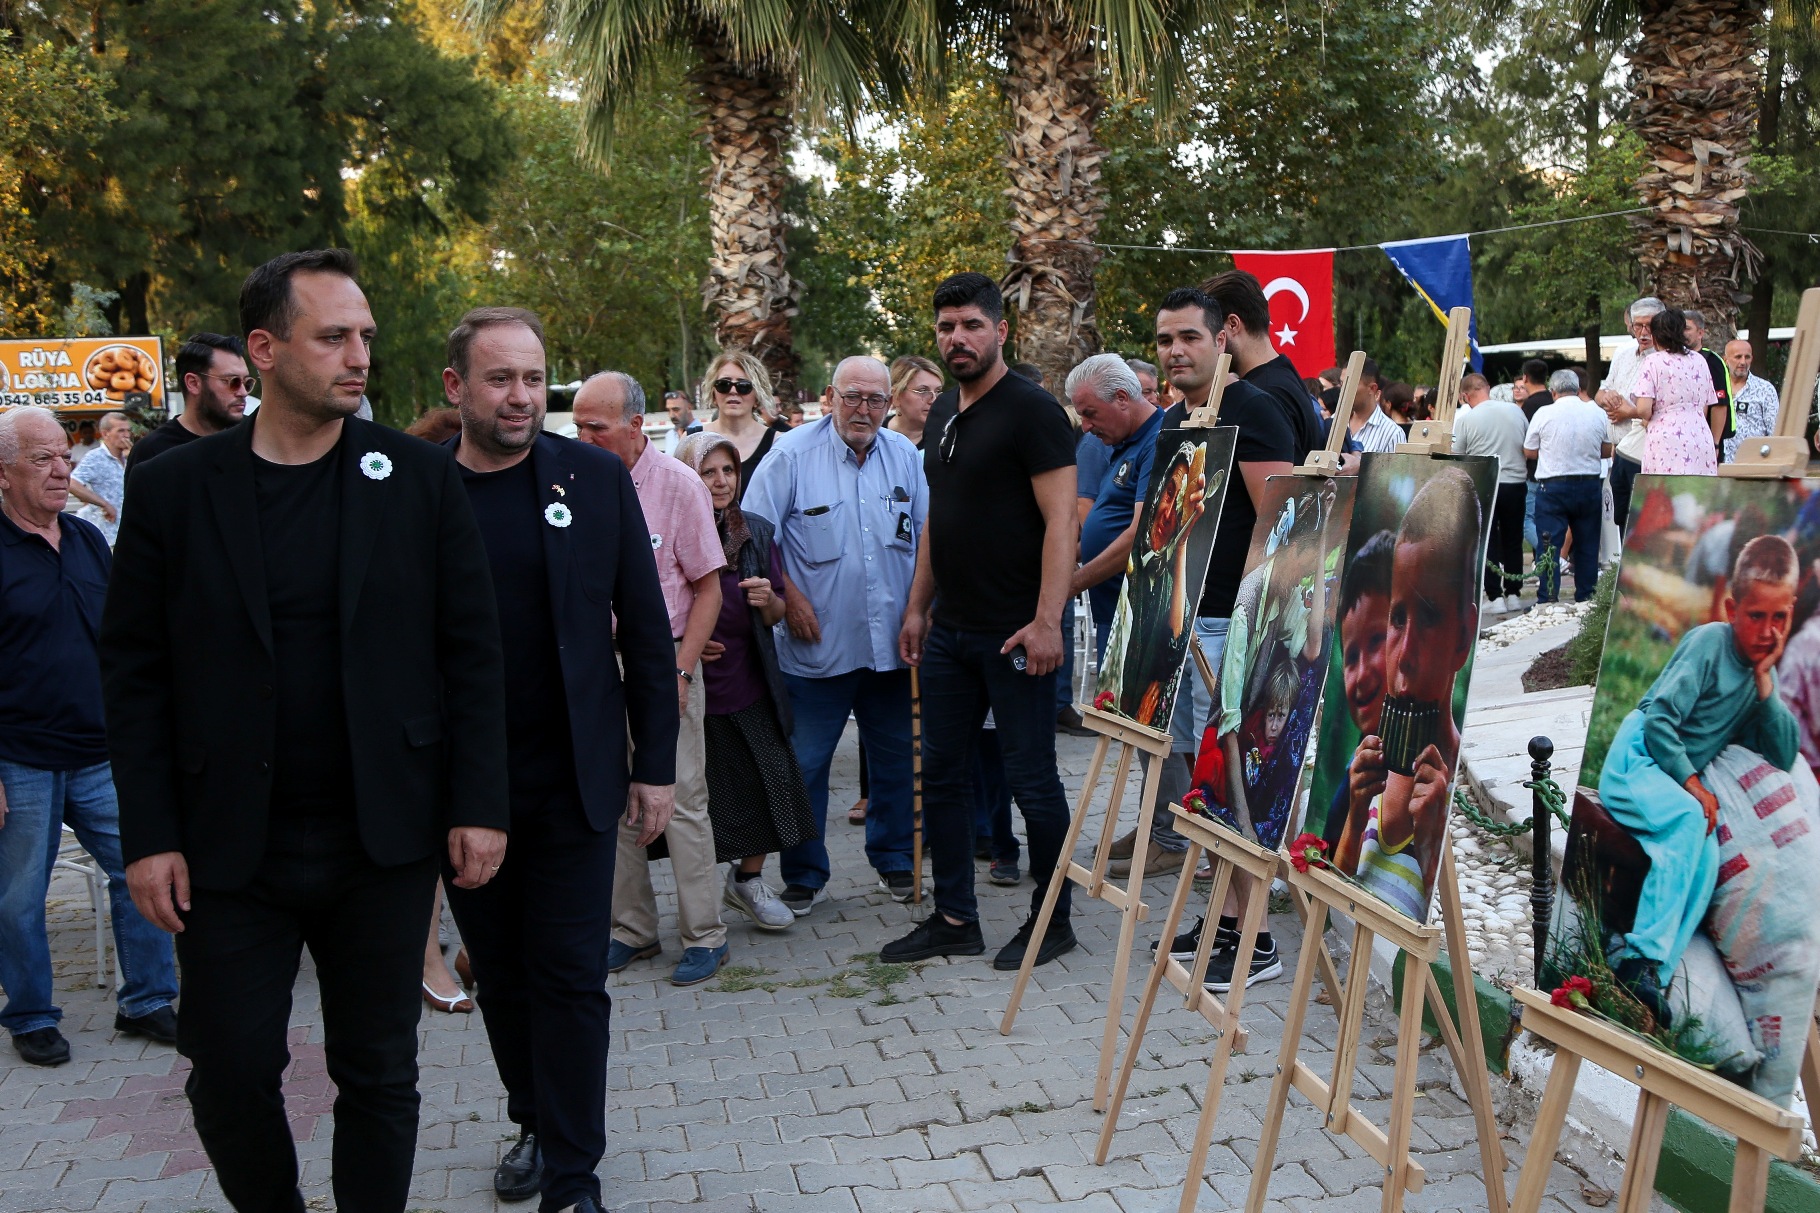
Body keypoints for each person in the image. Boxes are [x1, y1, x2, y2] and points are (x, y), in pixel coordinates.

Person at [100, 249, 510, 1213]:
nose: (359, 354)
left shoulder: (415, 479)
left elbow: (473, 654)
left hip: (383, 836)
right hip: (227, 843)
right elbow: (134, 669)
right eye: (334, 336)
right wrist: (149, 831)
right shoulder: (174, 487)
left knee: (379, 1070)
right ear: (265, 348)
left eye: (364, 334)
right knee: (230, 1069)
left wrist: (478, 804)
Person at [439, 309, 677, 1212]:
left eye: (535, 379)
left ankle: (573, 1179)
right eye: (501, 379)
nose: (522, 397)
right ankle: (533, 1118)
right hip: (467, 792)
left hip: (578, 781)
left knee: (573, 979)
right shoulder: (420, 490)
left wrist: (653, 763)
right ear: (458, 387)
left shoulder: (592, 478)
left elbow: (646, 633)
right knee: (502, 973)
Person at [885, 272, 1079, 969]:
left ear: (1001, 330)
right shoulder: (941, 413)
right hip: (951, 631)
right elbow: (940, 517)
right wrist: (916, 605)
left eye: (970, 324)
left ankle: (1052, 917)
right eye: (946, 327)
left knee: (1032, 778)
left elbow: (1062, 522)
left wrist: (1048, 620)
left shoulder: (1032, 411)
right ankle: (954, 916)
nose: (957, 338)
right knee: (939, 773)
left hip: (1017, 632)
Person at [1133, 286, 1316, 987]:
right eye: (1164, 340)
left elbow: (1281, 526)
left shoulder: (1250, 409)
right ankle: (1229, 921)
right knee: (1204, 786)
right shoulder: (1178, 418)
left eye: (1188, 337)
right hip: (1183, 622)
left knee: (1230, 782)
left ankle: (1258, 940)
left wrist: (1246, 630)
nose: (1175, 351)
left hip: (1227, 626)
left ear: (1222, 339)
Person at [0, 407, 178, 1069]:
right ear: (3, 472)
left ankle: (148, 999)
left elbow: (123, 640)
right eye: (42, 458)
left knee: (145, 868)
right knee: (19, 896)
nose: (60, 469)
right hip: (19, 754)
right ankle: (30, 1013)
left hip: (102, 749)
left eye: (62, 456)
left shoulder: (84, 539)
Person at [744, 357, 927, 912]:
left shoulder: (906, 457)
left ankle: (896, 860)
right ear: (830, 397)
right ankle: (804, 873)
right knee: (806, 763)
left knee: (896, 759)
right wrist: (790, 596)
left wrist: (920, 610)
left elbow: (927, 537)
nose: (864, 409)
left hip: (892, 644)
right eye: (853, 397)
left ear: (889, 403)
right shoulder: (792, 454)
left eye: (875, 399)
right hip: (815, 646)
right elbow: (753, 534)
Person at [1598, 536, 1800, 1023]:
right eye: (1756, 616)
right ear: (1733, 608)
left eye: (1779, 618)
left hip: (1668, 778)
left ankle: (1653, 978)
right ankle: (1639, 957)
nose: (1767, 631)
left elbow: (1783, 752)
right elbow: (1661, 722)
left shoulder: (1757, 681)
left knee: (1707, 859)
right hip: (1639, 760)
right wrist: (1693, 784)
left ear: (1790, 615)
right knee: (1691, 821)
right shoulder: (1710, 643)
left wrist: (1766, 682)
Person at [572, 370, 731, 987]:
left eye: (596, 426)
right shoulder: (571, 479)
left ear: (636, 427)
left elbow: (708, 586)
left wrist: (682, 668)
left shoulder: (678, 484)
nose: (582, 437)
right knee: (609, 798)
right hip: (592, 660)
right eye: (578, 424)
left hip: (662, 654)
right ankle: (631, 930)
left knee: (683, 797)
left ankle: (705, 935)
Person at [672, 430, 815, 923]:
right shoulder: (672, 523)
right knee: (709, 792)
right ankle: (702, 898)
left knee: (770, 780)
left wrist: (768, 601)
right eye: (707, 471)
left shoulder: (754, 528)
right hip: (699, 685)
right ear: (687, 474)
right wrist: (688, 642)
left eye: (728, 470)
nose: (720, 481)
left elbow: (776, 611)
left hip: (752, 679)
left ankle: (749, 881)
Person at [1347, 467, 1483, 924]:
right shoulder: (1375, 755)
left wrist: (1431, 844)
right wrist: (1353, 812)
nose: (1403, 656)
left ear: (1464, 637)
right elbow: (1334, 896)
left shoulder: (1453, 775)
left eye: (1427, 619)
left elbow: (1437, 920)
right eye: (1397, 619)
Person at [1068, 354, 1162, 665]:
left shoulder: (1157, 439)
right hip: (1113, 612)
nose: (1086, 426)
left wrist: (1071, 585)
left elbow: (1141, 535)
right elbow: (1112, 522)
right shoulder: (1125, 441)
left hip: (1138, 619)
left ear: (1122, 398)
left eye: (1090, 413)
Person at [1525, 369, 1614, 604]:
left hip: (1553, 486)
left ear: (1553, 392)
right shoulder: (1597, 412)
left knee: (1549, 545)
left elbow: (1529, 450)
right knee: (1587, 543)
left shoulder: (1545, 413)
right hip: (1589, 484)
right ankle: (1586, 597)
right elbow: (1607, 449)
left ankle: (1548, 597)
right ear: (1577, 389)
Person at [1605, 307, 1719, 476]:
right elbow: (1706, 403)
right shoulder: (1699, 359)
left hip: (1666, 439)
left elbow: (1644, 409)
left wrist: (1633, 413)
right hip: (1700, 435)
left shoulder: (1654, 361)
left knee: (1664, 493)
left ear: (1656, 336)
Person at [1451, 372, 1528, 613]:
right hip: (1516, 482)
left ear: (1465, 395)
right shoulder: (1516, 411)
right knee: (1514, 539)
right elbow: (1527, 443)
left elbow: (1458, 455)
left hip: (1486, 483)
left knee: (1488, 541)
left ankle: (1494, 597)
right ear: (1488, 388)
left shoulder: (1466, 420)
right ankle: (1514, 592)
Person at [125, 333, 251, 478]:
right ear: (193, 383)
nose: (243, 392)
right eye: (233, 381)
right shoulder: (153, 451)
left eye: (247, 383)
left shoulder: (255, 439)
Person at [1598, 296, 1666, 528]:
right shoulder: (1623, 353)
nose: (1644, 332)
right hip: (1619, 450)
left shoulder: (1666, 359)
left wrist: (1629, 412)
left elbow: (1668, 409)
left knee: (1643, 523)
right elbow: (1600, 392)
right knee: (1620, 520)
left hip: (1647, 452)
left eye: (1650, 325)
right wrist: (1607, 399)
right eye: (1638, 325)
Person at [701, 350, 779, 497]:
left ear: (758, 395)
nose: (733, 391)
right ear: (713, 392)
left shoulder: (779, 443)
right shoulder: (692, 439)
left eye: (743, 386)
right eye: (724, 384)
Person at [66, 410, 132, 546]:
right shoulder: (96, 457)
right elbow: (72, 483)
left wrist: (132, 459)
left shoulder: (130, 457)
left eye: (128, 431)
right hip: (106, 534)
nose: (126, 435)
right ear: (105, 433)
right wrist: (104, 504)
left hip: (129, 532)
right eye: (120, 431)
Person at [1722, 338, 1780, 464]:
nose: (1743, 362)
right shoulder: (1715, 387)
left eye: (1747, 357)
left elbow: (1775, 432)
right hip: (1719, 466)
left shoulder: (1765, 389)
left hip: (1753, 465)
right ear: (1725, 360)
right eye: (1738, 357)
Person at [1684, 309, 1733, 454]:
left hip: (1707, 441)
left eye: (1687, 329)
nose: (1682, 333)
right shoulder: (1675, 360)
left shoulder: (1711, 361)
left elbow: (1719, 405)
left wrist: (1715, 444)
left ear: (1700, 333)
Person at [1344, 359, 1403, 454]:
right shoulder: (1333, 422)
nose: (1343, 391)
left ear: (1372, 388)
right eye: (1342, 384)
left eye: (1350, 385)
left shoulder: (1391, 433)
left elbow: (1397, 468)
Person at [886, 354, 942, 450]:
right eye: (923, 390)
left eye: (937, 391)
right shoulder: (873, 435)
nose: (934, 400)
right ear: (896, 396)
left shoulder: (945, 441)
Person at [664, 389, 703, 454]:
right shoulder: (670, 435)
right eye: (668, 410)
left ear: (689, 408)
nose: (671, 415)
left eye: (676, 409)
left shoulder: (703, 432)